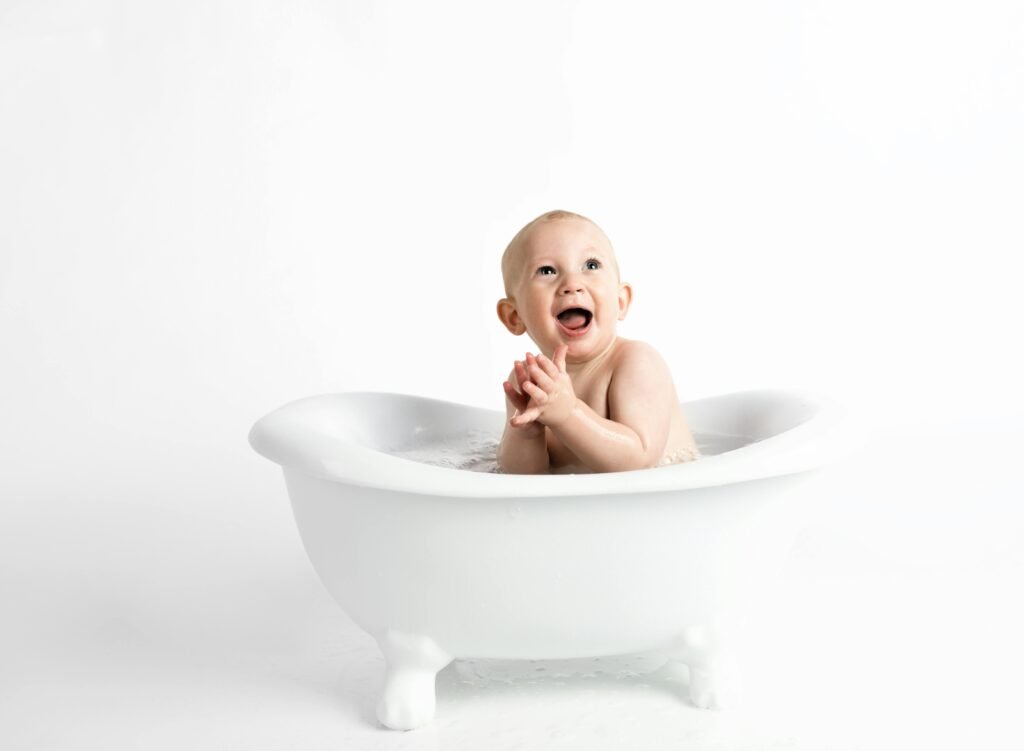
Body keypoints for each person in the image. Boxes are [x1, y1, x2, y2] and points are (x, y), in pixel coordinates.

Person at [495, 209, 700, 474]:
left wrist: (569, 414)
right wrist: (526, 435)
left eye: (591, 265)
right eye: (547, 271)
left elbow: (640, 460)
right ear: (514, 316)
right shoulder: (529, 381)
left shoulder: (636, 362)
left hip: (665, 501)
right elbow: (523, 477)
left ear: (620, 301)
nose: (572, 284)